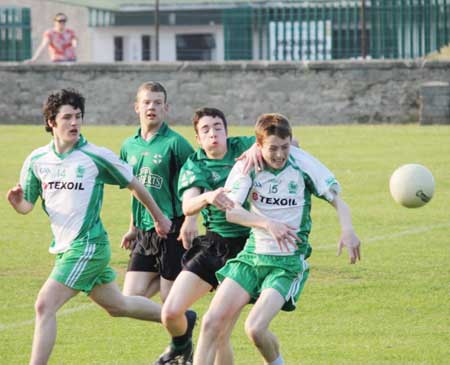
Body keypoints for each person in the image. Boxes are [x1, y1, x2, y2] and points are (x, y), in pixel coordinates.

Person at [6, 88, 172, 365]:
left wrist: (158, 217)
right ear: (51, 122)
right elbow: (27, 206)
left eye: (78, 117)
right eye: (67, 117)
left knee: (44, 305)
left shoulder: (96, 156)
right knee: (118, 306)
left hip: (88, 246)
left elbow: (135, 184)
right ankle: (179, 318)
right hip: (65, 249)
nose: (74, 123)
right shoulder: (37, 160)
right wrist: (16, 203)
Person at [194, 113, 361, 365]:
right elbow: (231, 211)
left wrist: (347, 229)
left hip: (286, 263)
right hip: (252, 257)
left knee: (255, 329)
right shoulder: (248, 164)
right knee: (210, 322)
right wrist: (267, 223)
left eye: (285, 147)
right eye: (273, 148)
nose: (280, 155)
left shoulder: (302, 163)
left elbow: (338, 200)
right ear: (259, 145)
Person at [156, 107, 257, 365]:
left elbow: (285, 141)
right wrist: (208, 197)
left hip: (246, 250)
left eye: (218, 127)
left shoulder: (244, 147)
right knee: (170, 311)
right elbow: (188, 205)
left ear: (227, 132)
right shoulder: (196, 163)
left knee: (220, 331)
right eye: (205, 129)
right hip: (213, 244)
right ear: (198, 139)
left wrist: (263, 150)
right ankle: (182, 345)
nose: (213, 133)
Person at [119, 81, 197, 349]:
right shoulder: (128, 146)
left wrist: (190, 221)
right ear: (136, 107)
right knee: (129, 298)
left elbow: (194, 182)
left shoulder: (176, 144)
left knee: (168, 301)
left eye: (158, 102)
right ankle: (185, 317)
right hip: (143, 231)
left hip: (171, 229)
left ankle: (182, 344)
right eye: (147, 102)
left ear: (167, 108)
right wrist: (132, 227)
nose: (152, 107)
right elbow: (135, 190)